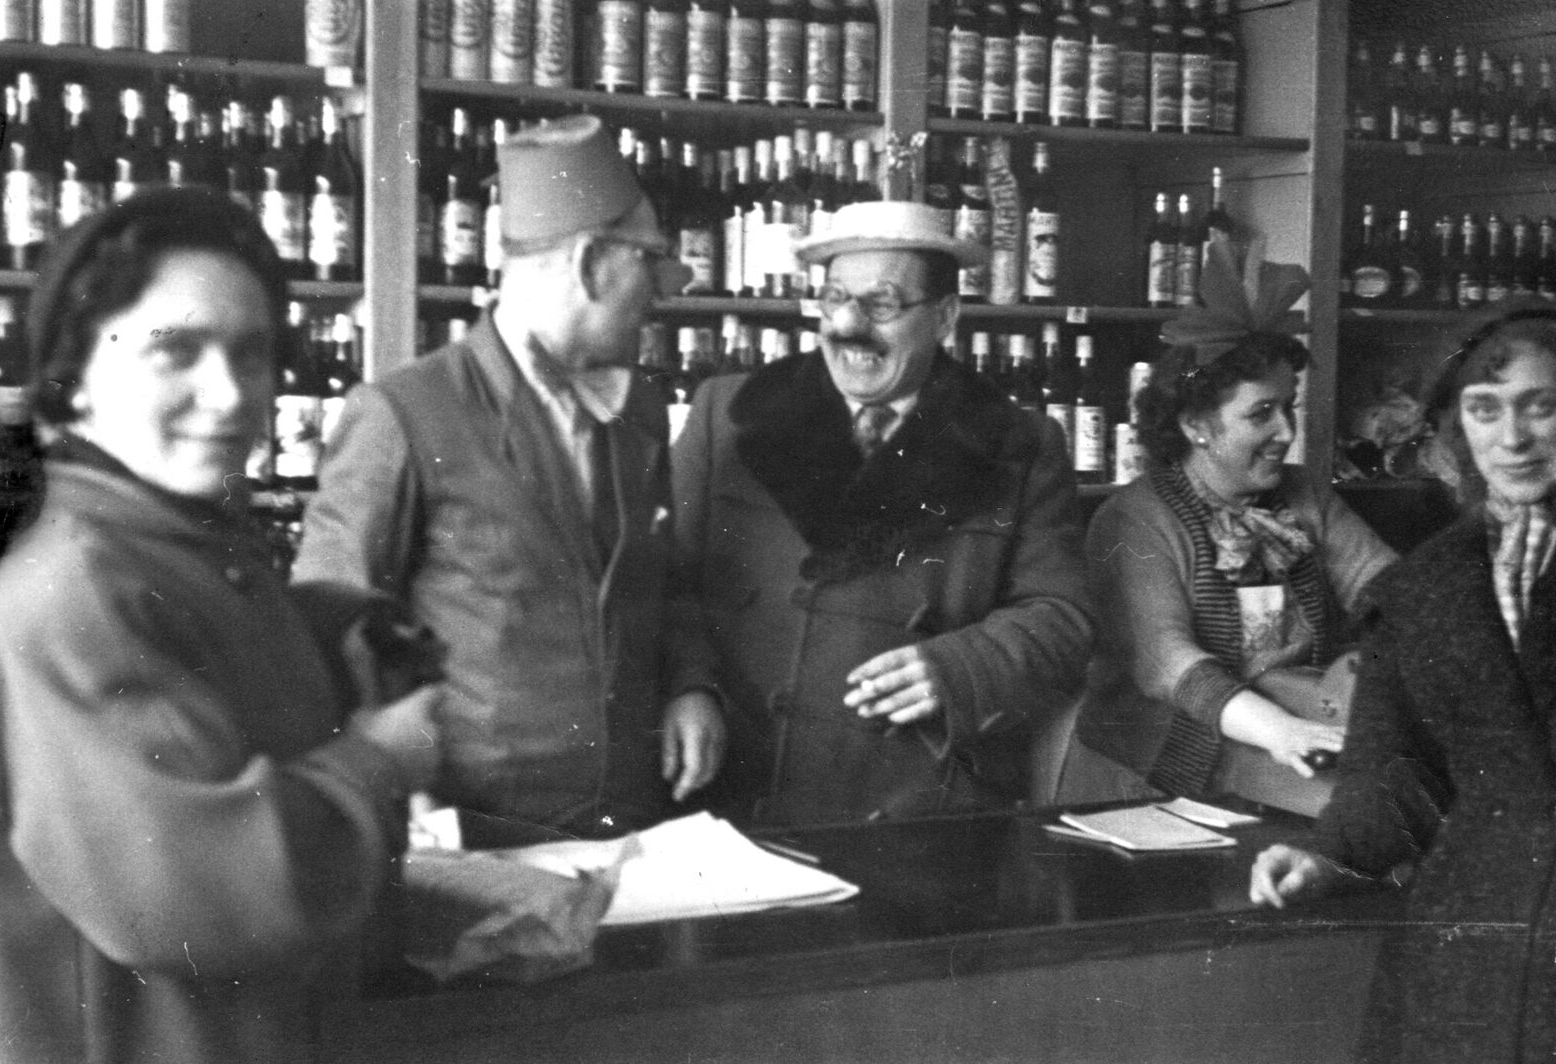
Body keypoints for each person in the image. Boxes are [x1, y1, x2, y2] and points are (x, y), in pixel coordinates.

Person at [0, 187, 443, 1064]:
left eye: (251, 353)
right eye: (175, 350)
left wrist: (330, 625)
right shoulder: (79, 580)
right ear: (75, 377)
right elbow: (202, 895)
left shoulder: (164, 533)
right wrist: (382, 761)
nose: (229, 395)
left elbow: (202, 677)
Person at [294, 115, 724, 846]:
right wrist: (392, 779)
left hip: (630, 819)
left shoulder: (640, 409)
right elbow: (328, 631)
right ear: (591, 263)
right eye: (650, 261)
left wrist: (692, 684)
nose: (663, 290)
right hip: (475, 827)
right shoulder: (405, 413)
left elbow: (665, 579)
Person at [670, 200, 1095, 826]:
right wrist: (689, 685)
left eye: (883, 303)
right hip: (731, 779)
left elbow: (1062, 617)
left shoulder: (1019, 444)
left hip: (907, 797)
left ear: (945, 316)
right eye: (835, 297)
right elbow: (662, 577)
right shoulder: (727, 413)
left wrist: (959, 669)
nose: (848, 324)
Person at [1251, 301, 1556, 1063]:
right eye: (1485, 409)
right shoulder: (1423, 588)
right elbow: (1395, 769)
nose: (1512, 438)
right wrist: (1330, 856)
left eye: (1541, 407)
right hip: (1474, 936)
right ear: (1457, 426)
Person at [1061, 242, 1395, 802]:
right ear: (1196, 425)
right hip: (1148, 772)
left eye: (1288, 406)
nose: (1286, 432)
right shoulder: (1134, 519)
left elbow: (1387, 586)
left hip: (1280, 746)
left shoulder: (1304, 494)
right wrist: (1281, 731)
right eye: (1261, 413)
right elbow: (1168, 665)